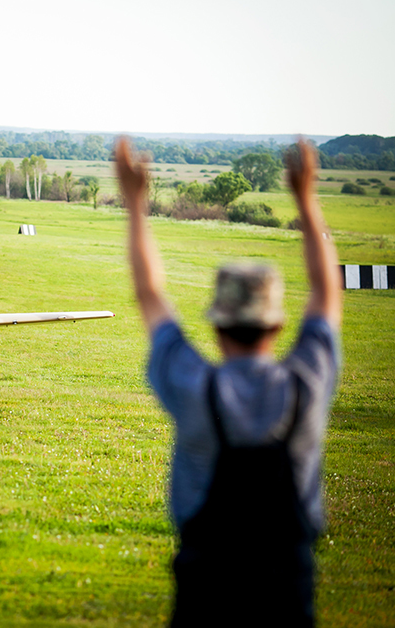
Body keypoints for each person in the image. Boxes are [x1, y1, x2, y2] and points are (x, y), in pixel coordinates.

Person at [114, 136, 342, 626]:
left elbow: (149, 294)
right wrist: (307, 198)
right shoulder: (308, 382)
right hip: (289, 598)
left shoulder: (197, 389)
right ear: (277, 326)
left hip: (205, 596)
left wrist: (135, 205)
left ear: (216, 326)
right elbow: (327, 295)